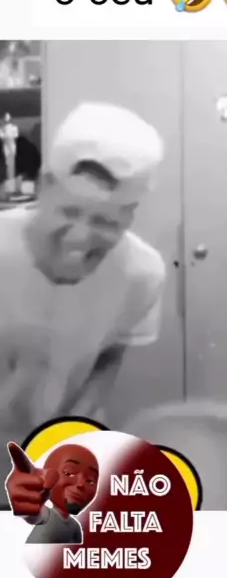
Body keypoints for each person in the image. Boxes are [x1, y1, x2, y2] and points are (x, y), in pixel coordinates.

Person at [0, 102, 166, 490]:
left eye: (106, 222)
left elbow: (110, 355)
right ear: (45, 186)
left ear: (130, 216)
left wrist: (77, 429)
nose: (79, 238)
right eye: (68, 212)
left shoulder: (141, 274)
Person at [5, 441, 99, 544]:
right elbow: (37, 515)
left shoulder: (75, 527)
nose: (81, 484)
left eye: (90, 480)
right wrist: (28, 506)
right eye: (69, 473)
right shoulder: (49, 516)